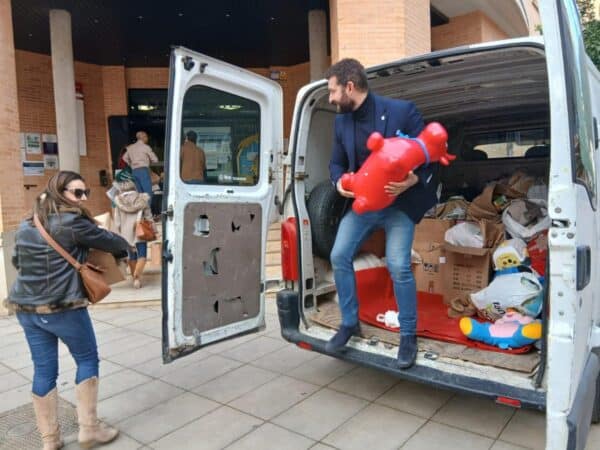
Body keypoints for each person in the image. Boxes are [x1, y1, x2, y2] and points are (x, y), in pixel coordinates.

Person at [324, 58, 437, 369]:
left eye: (333, 91)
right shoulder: (340, 122)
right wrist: (339, 184)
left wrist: (414, 179)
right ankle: (349, 323)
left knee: (399, 264)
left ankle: (408, 335)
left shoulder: (402, 111)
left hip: (398, 204)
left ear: (350, 86)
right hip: (363, 205)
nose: (331, 99)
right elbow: (335, 163)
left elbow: (428, 152)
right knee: (339, 255)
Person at [5, 171, 130, 449]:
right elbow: (115, 243)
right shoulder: (72, 222)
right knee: (87, 358)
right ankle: (89, 430)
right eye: (77, 192)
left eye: (85, 192)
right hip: (63, 307)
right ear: (59, 192)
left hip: (26, 308)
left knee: (43, 369)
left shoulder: (28, 223)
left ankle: (50, 440)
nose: (83, 197)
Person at [111, 180, 154, 289]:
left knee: (132, 256)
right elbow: (148, 217)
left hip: (126, 234)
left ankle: (136, 279)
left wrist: (119, 233)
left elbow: (117, 221)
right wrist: (154, 229)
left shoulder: (118, 202)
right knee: (142, 256)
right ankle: (137, 275)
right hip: (140, 232)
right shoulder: (142, 199)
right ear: (134, 188)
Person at [123, 131, 159, 198]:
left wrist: (131, 164)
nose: (147, 138)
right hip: (143, 171)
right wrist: (148, 161)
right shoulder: (145, 147)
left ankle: (141, 208)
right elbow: (155, 159)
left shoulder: (131, 147)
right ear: (143, 137)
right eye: (146, 137)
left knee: (140, 193)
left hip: (134, 171)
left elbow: (124, 158)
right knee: (148, 193)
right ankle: (147, 208)